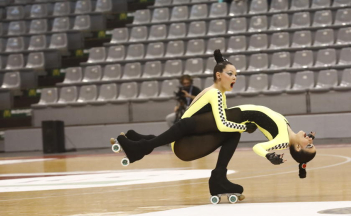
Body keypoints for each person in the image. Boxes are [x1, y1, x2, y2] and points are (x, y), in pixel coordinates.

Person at [115, 50, 317, 197]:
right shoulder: (287, 125)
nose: (309, 137)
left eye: (308, 144)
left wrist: (269, 155)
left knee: (204, 125)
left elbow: (259, 146)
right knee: (213, 126)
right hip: (233, 118)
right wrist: (222, 64)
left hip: (235, 118)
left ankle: (142, 147)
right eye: (312, 140)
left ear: (298, 146)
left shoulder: (283, 140)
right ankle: (217, 178)